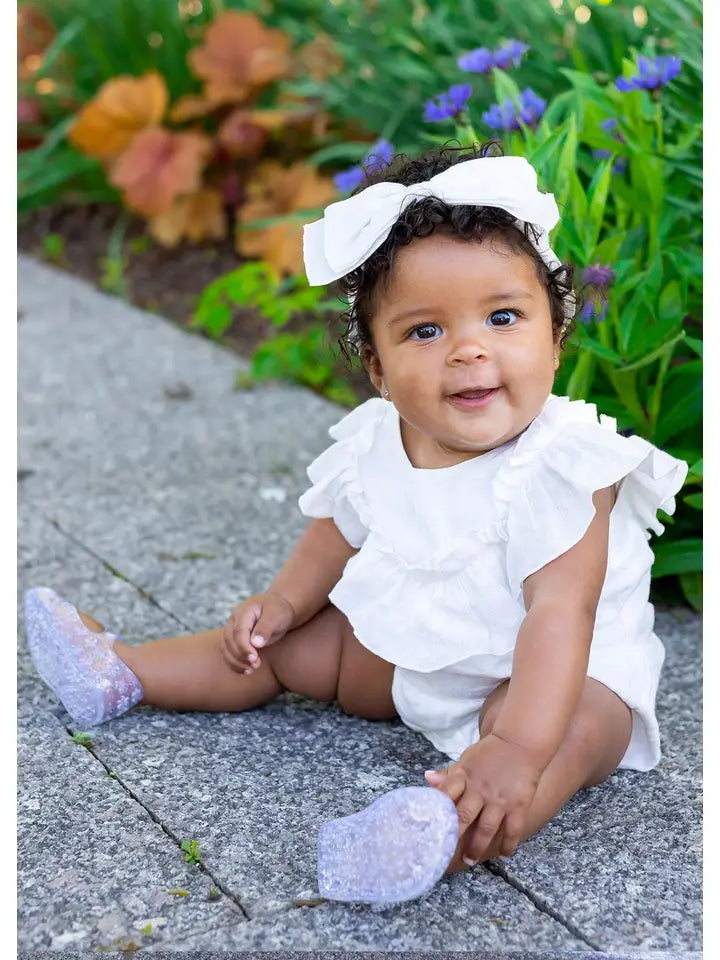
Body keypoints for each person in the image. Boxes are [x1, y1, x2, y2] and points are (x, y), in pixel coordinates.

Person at [24, 143, 687, 895]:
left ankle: (433, 838)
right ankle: (123, 672)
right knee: (273, 647)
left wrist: (516, 745)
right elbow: (338, 529)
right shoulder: (378, 438)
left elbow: (560, 614)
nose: (469, 349)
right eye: (425, 331)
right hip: (423, 650)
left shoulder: (567, 464)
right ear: (377, 369)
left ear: (556, 340)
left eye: (503, 317)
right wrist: (284, 601)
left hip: (549, 678)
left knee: (575, 733)